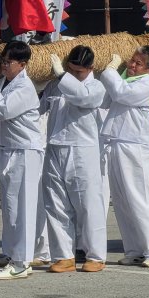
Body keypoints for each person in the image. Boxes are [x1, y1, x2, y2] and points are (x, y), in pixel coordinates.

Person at [0, 40, 42, 280]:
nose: (4, 66)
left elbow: (4, 110)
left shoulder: (25, 87)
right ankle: (13, 253)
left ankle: (22, 262)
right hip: (8, 149)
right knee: (10, 207)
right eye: (2, 61)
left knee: (22, 208)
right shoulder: (4, 83)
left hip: (25, 151)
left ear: (22, 64)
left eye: (8, 62)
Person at [41, 46, 108, 273]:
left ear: (90, 68)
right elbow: (39, 107)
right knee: (55, 204)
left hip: (82, 149)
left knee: (88, 204)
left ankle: (95, 255)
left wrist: (63, 76)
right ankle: (64, 256)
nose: (74, 75)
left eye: (78, 72)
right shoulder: (56, 84)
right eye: (71, 70)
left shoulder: (96, 87)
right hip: (54, 146)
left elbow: (83, 98)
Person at [100, 46, 149, 267]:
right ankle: (135, 249)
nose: (132, 65)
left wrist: (110, 70)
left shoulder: (147, 86)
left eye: (138, 63)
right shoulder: (126, 81)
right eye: (132, 60)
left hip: (136, 148)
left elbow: (120, 93)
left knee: (142, 200)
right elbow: (107, 99)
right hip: (116, 144)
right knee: (122, 202)